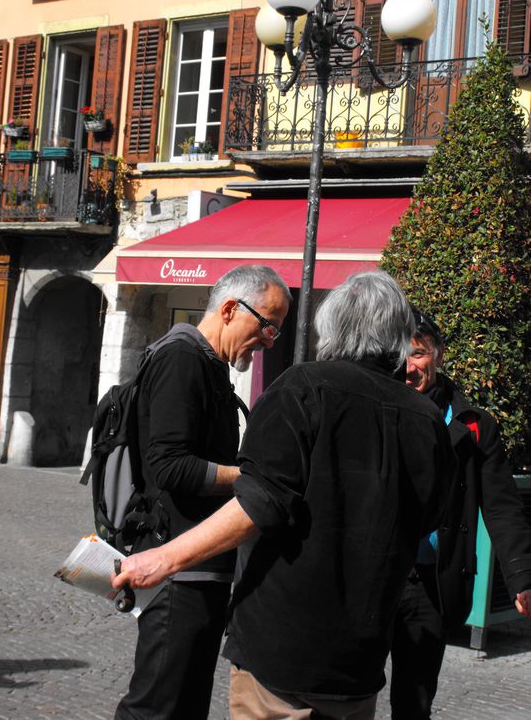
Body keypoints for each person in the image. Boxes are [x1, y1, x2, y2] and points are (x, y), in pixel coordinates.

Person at [114, 270, 453, 720]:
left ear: (330, 328)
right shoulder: (426, 418)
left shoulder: (301, 389)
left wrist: (163, 559)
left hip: (281, 648)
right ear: (397, 336)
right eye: (268, 326)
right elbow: (429, 516)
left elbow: (261, 501)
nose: (271, 339)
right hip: (359, 656)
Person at [114, 264, 291, 720]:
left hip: (197, 568)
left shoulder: (209, 363)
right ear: (231, 309)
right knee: (156, 707)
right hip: (176, 571)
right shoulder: (183, 357)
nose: (271, 339)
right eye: (268, 324)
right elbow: (171, 467)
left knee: (185, 705)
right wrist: (250, 476)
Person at [389, 308, 531, 720]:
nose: (407, 366)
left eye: (417, 354)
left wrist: (522, 578)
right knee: (351, 687)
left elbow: (503, 507)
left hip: (430, 584)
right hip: (375, 575)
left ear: (438, 355)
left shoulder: (474, 425)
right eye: (399, 355)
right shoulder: (378, 407)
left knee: (414, 704)